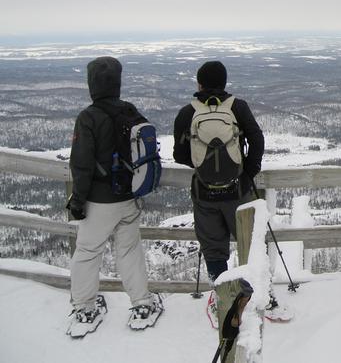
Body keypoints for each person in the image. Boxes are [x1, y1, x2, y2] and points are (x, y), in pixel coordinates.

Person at [66, 56, 163, 337]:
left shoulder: (88, 117)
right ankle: (142, 304)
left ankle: (85, 308)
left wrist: (78, 200)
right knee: (130, 252)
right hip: (129, 197)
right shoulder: (130, 111)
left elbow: (81, 164)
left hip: (99, 200)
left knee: (87, 253)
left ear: (92, 84)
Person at [172, 60, 264, 326]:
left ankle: (223, 299)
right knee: (251, 244)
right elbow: (257, 140)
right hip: (237, 191)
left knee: (214, 250)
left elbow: (179, 155)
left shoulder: (187, 112)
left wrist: (203, 167)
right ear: (225, 82)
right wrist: (246, 174)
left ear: (199, 84)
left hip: (204, 194)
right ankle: (256, 295)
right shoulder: (237, 107)